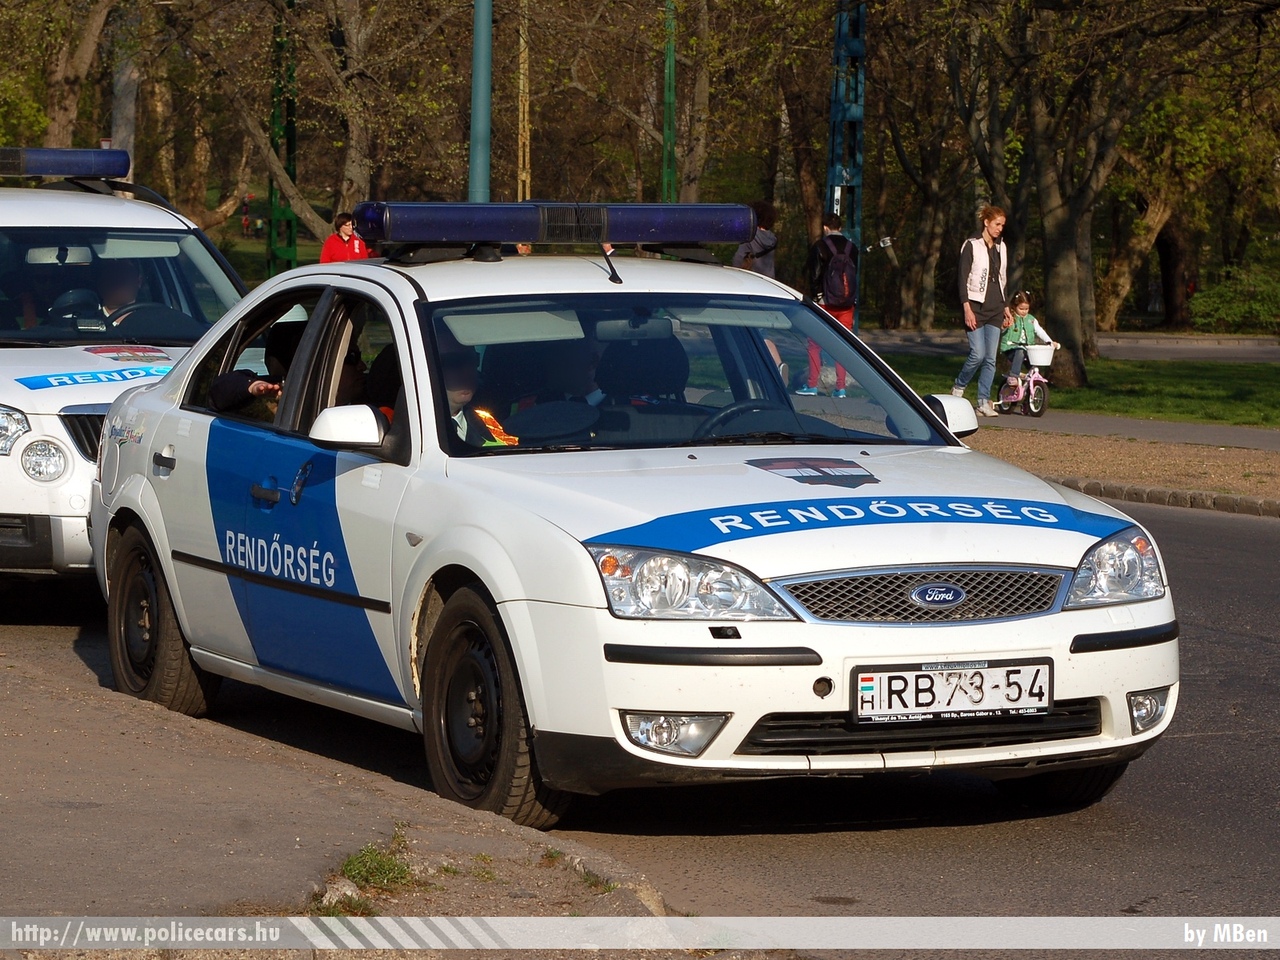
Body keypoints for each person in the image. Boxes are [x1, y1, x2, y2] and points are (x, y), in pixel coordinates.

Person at [952, 204, 1013, 417]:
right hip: (976, 307)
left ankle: (983, 401)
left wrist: (1006, 307)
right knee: (977, 354)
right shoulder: (971, 245)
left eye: (1002, 225)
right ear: (986, 222)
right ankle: (959, 387)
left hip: (996, 308)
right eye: (997, 224)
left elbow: (1003, 279)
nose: (1000, 229)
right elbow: (962, 278)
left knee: (990, 358)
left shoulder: (1001, 247)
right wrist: (967, 308)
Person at [797, 213, 857, 398]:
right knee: (843, 344)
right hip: (847, 303)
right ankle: (841, 388)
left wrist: (817, 295)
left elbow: (814, 274)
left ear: (825, 227)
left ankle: (812, 385)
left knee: (815, 345)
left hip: (825, 302)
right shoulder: (852, 247)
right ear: (840, 227)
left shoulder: (820, 246)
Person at [436, 327, 516, 447]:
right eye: (453, 361)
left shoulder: (489, 424)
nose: (467, 370)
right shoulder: (407, 428)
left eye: (472, 360)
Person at [999, 292, 1058, 385]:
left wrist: (1049, 341)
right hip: (1011, 349)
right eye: (1021, 309)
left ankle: (1033, 384)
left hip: (1027, 350)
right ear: (1014, 306)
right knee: (1020, 351)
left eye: (1027, 309)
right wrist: (1004, 326)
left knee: (1034, 364)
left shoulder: (1031, 319)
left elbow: (1040, 331)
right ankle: (1013, 376)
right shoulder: (1010, 317)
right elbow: (1001, 330)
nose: (1024, 311)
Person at [732, 200, 778, 278]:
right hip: (769, 281)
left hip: (751, 280)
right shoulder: (772, 238)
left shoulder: (749, 235)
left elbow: (738, 260)